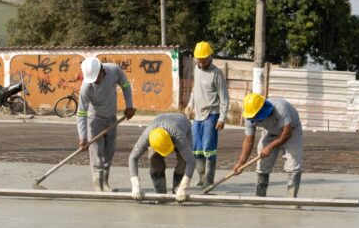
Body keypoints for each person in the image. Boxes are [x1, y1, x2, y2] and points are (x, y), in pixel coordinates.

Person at [77, 57, 136, 191]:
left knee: (109, 151)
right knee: (97, 152)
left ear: (102, 70)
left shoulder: (114, 70)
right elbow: (81, 113)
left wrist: (129, 106)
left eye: (97, 78)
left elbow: (126, 85)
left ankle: (105, 183)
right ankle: (98, 185)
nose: (95, 82)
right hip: (94, 119)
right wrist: (83, 137)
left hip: (111, 118)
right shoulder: (86, 87)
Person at [233, 93, 303, 198]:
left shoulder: (280, 108)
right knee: (262, 165)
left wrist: (270, 147)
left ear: (263, 109)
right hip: (270, 131)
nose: (254, 120)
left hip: (291, 131)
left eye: (256, 116)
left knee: (293, 165)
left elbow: (286, 133)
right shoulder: (249, 116)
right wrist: (241, 163)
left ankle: (291, 200)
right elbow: (248, 141)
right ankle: (260, 197)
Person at [186, 41, 229, 187]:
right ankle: (202, 178)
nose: (201, 62)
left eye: (204, 59)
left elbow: (224, 98)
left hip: (212, 115)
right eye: (199, 59)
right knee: (196, 150)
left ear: (210, 57)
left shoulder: (216, 74)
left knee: (208, 149)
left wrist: (222, 118)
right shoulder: (196, 69)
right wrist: (190, 105)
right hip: (197, 116)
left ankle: (209, 180)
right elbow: (194, 90)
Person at [129, 113, 195, 202]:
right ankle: (160, 195)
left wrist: (183, 187)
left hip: (181, 126)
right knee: (154, 160)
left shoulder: (178, 135)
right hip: (159, 129)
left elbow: (191, 161)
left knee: (183, 161)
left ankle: (177, 190)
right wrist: (135, 185)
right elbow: (132, 157)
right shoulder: (147, 136)